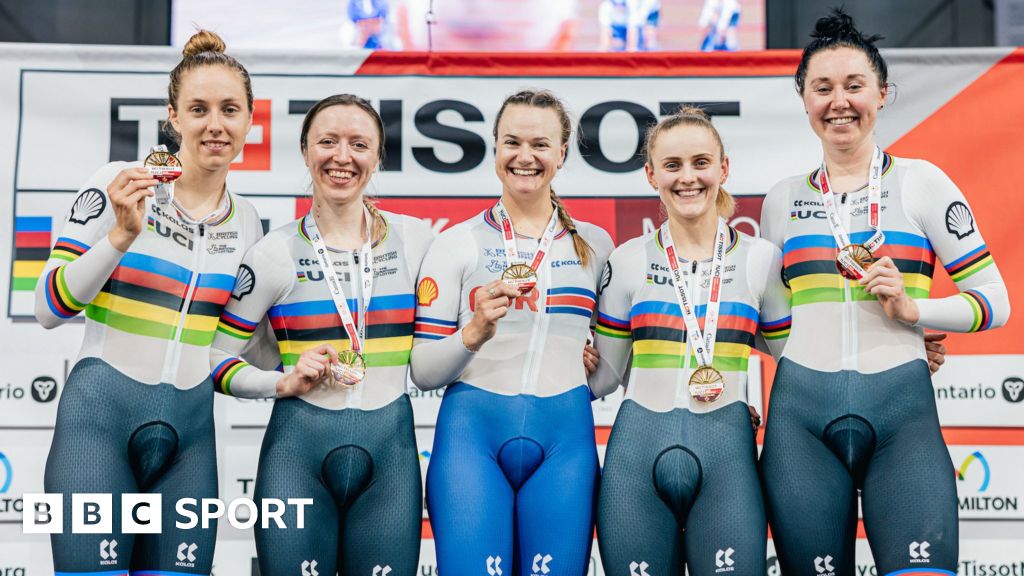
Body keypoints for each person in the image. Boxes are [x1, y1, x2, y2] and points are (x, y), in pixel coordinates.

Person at [758, 10, 1010, 576]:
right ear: (803, 98)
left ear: (883, 93)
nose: (839, 101)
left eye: (855, 86)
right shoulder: (781, 199)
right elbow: (761, 320)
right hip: (800, 422)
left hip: (903, 416)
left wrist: (914, 311)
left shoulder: (922, 182)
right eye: (823, 87)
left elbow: (995, 301)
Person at [36, 30, 263, 574]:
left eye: (230, 110)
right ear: (173, 117)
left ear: (250, 121)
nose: (216, 124)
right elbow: (49, 308)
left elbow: (246, 349)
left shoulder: (250, 221)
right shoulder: (121, 182)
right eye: (199, 109)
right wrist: (120, 236)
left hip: (190, 441)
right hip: (98, 424)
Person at [209, 94, 432, 575]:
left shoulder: (418, 241)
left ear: (378, 157)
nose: (342, 157)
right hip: (297, 457)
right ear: (306, 151)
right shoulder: (272, 253)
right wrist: (281, 382)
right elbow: (215, 359)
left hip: (390, 460)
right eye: (327, 142)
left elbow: (460, 329)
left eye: (359, 144)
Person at [409, 89, 614, 576]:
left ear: (562, 153)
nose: (525, 157)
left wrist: (589, 365)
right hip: (471, 440)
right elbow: (421, 372)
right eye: (511, 143)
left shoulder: (597, 246)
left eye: (540, 144)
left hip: (566, 441)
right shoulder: (455, 243)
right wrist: (473, 333)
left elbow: (608, 374)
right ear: (495, 149)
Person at [591, 107, 790, 576]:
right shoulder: (626, 261)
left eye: (701, 162)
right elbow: (603, 380)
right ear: (650, 174)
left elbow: (799, 359)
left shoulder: (762, 261)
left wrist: (898, 340)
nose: (688, 178)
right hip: (636, 455)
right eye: (673, 165)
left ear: (723, 168)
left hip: (727, 452)